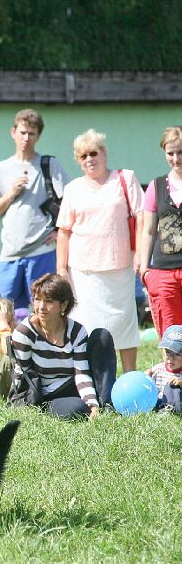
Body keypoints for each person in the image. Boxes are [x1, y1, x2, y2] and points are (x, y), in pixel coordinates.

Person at [57, 129, 142, 372]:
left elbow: (143, 217)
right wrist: (61, 268)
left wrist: (141, 256)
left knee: (125, 327)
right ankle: (92, 381)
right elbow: (64, 231)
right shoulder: (73, 188)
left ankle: (130, 377)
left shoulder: (125, 178)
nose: (89, 159)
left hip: (120, 266)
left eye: (93, 153)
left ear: (104, 153)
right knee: (86, 329)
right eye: (83, 156)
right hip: (83, 272)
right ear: (78, 161)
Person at [0, 109, 70, 309]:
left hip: (43, 250)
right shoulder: (0, 169)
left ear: (38, 135)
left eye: (31, 133)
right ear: (13, 132)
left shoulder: (49, 164)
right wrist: (11, 193)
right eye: (22, 133)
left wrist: (59, 232)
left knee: (45, 310)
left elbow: (70, 203)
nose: (26, 138)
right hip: (10, 254)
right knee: (1, 310)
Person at [11, 274, 116, 420]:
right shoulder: (24, 332)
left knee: (101, 336)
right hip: (48, 395)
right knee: (77, 409)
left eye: (49, 301)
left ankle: (106, 405)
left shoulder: (77, 331)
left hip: (76, 384)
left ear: (64, 305)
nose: (41, 307)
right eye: (37, 299)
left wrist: (93, 404)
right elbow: (22, 374)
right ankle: (86, 407)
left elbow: (81, 373)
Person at [138, 126, 182, 336]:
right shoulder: (156, 186)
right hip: (164, 271)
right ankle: (171, 369)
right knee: (170, 334)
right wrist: (145, 269)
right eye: (170, 153)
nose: (176, 158)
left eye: (180, 152)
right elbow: (148, 230)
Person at [145, 324, 182, 414]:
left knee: (172, 386)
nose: (171, 358)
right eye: (168, 352)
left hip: (176, 404)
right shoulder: (158, 369)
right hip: (157, 402)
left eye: (177, 354)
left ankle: (168, 409)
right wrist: (146, 377)